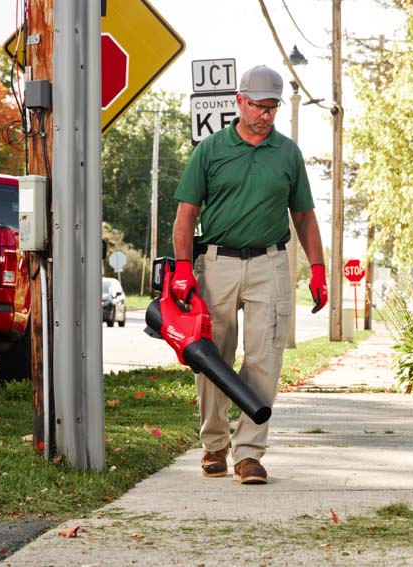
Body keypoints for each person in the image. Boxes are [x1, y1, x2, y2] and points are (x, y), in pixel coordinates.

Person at [172, 65, 327, 485]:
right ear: (239, 101)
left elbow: (305, 217)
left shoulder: (288, 153)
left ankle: (249, 453)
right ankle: (214, 445)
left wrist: (318, 268)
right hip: (217, 263)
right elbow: (186, 216)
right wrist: (184, 269)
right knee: (211, 357)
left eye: (272, 108)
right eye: (258, 107)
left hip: (271, 263)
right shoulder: (210, 150)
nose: (266, 116)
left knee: (265, 358)